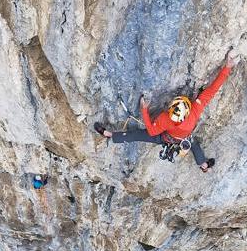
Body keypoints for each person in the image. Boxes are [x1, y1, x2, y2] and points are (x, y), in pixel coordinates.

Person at [94, 51, 239, 172]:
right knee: (194, 145)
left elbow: (151, 131)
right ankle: (204, 165)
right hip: (184, 137)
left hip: (165, 137)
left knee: (137, 134)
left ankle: (109, 135)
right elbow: (212, 90)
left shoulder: (165, 118)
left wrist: (144, 110)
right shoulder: (195, 111)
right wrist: (227, 67)